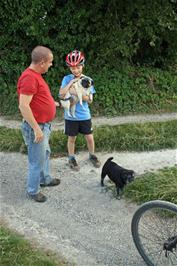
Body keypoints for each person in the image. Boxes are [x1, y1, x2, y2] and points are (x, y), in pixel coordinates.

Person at [17, 45, 60, 202]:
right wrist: (36, 129)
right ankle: (33, 190)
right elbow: (23, 105)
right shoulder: (29, 77)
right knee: (36, 160)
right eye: (50, 62)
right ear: (42, 62)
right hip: (36, 127)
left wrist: (51, 103)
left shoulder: (35, 75)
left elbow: (36, 98)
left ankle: (45, 179)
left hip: (44, 125)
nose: (51, 65)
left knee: (45, 154)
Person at [59, 50, 101, 171]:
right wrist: (72, 82)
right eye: (72, 68)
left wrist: (76, 92)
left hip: (84, 115)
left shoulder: (88, 79)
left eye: (78, 67)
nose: (75, 70)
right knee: (72, 138)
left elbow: (90, 99)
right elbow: (61, 94)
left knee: (89, 137)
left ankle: (92, 155)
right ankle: (71, 158)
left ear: (82, 65)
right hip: (70, 116)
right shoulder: (67, 79)